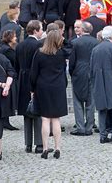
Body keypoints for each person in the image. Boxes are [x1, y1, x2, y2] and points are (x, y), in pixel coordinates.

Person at [30, 30, 69, 159]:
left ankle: (45, 148)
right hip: (58, 87)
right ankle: (58, 148)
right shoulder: (61, 54)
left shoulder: (39, 53)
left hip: (43, 87)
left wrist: (32, 88)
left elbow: (33, 73)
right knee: (56, 119)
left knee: (45, 119)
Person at [90, 26, 112, 144]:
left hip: (99, 81)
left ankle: (103, 135)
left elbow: (91, 67)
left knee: (102, 108)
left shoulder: (96, 48)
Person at [15, 20, 44, 153]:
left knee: (27, 113)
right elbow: (39, 66)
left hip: (22, 79)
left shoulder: (20, 45)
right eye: (41, 29)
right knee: (37, 112)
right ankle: (38, 144)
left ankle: (28, 144)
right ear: (35, 30)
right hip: (34, 79)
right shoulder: (38, 45)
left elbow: (16, 65)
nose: (42, 31)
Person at [69, 22, 98, 136]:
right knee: (91, 101)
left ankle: (80, 127)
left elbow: (72, 61)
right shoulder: (96, 42)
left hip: (78, 72)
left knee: (77, 101)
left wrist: (72, 72)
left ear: (83, 29)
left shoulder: (75, 42)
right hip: (92, 72)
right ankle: (89, 127)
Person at [0, 30, 19, 131]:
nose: (16, 38)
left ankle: (5, 121)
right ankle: (5, 122)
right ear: (10, 38)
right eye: (15, 36)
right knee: (8, 99)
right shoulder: (8, 50)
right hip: (9, 76)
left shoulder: (4, 48)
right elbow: (15, 62)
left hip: (6, 76)